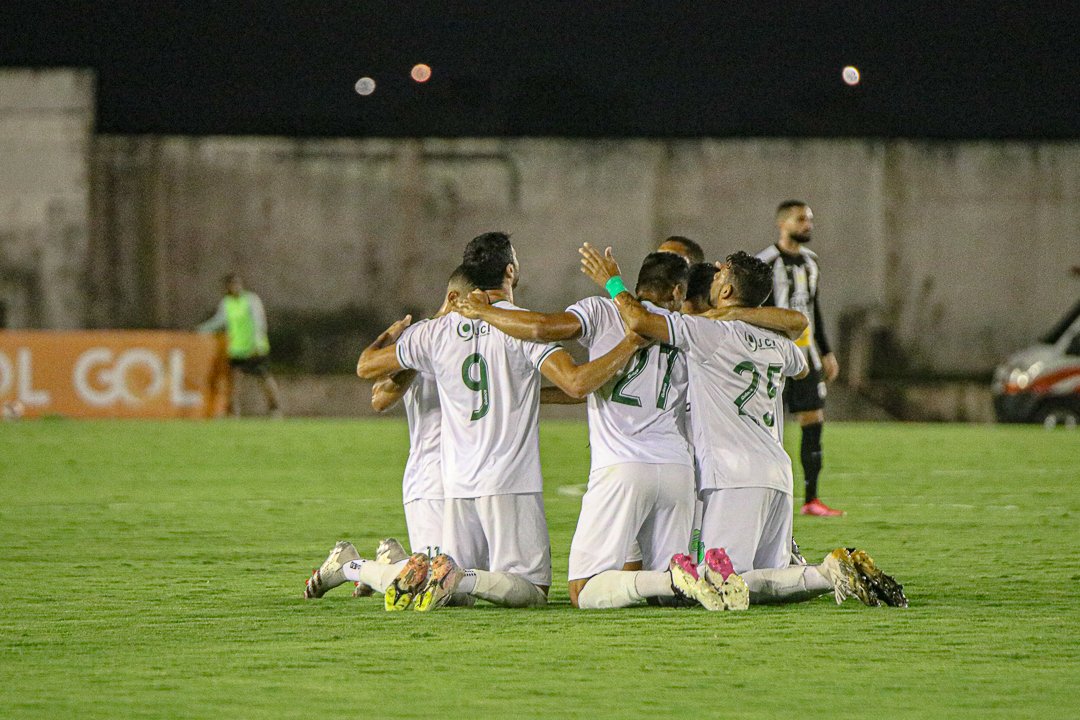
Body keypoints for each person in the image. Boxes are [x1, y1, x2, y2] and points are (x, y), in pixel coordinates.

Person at [312, 231, 650, 612]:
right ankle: (444, 575)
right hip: (509, 482)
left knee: (456, 596)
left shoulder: (434, 331)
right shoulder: (520, 326)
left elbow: (366, 368)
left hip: (456, 485)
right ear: (510, 270)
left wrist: (390, 337)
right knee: (531, 589)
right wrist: (630, 343)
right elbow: (574, 382)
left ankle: (384, 570)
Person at [579, 243, 907, 608]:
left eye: (720, 274)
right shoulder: (777, 344)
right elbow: (800, 355)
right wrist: (744, 316)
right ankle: (826, 573)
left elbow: (639, 322)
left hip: (733, 476)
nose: (714, 274)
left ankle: (822, 573)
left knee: (718, 582)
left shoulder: (706, 333)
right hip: (777, 474)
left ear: (727, 291)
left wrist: (611, 283)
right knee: (765, 587)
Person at [756, 201, 843, 517]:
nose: (808, 224)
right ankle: (765, 498)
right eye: (801, 219)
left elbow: (813, 308)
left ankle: (811, 499)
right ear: (783, 223)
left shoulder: (811, 262)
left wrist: (826, 350)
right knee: (768, 428)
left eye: (810, 219)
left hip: (806, 359)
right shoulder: (764, 262)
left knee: (813, 420)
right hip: (773, 359)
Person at [197, 273, 282, 418]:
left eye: (237, 284)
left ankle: (275, 408)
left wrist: (256, 342)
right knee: (235, 381)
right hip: (238, 349)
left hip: (255, 347)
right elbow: (219, 321)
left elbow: (259, 321)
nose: (235, 287)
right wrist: (202, 330)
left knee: (264, 378)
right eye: (232, 284)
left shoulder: (251, 300)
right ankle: (234, 412)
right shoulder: (227, 303)